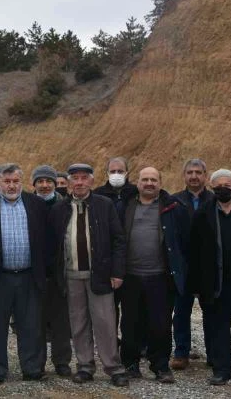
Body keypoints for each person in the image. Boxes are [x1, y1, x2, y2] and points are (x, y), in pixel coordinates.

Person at [48, 163, 129, 387]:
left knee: (105, 322)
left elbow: (118, 240)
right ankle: (84, 366)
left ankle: (114, 367)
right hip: (71, 275)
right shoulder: (59, 209)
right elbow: (53, 245)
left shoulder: (105, 205)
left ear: (92, 181)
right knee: (79, 323)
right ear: (68, 182)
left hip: (100, 275)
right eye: (75, 178)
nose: (80, 182)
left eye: (84, 178)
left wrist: (117, 272)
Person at [0, 163, 47, 384]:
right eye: (7, 181)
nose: (11, 186)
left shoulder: (36, 204)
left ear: (21, 182)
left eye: (15, 181)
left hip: (28, 275)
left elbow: (46, 240)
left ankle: (32, 369)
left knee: (30, 325)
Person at [119, 167, 189, 383]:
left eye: (153, 179)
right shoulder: (125, 206)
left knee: (160, 325)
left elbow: (184, 244)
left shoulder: (173, 208)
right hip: (130, 276)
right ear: (137, 182)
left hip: (160, 276)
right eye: (145, 179)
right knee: (130, 324)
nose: (149, 183)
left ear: (160, 182)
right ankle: (130, 364)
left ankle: (160, 366)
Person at [189, 169, 231, 387]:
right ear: (212, 187)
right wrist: (196, 284)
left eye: (227, 185)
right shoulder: (203, 214)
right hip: (215, 283)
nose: (222, 189)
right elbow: (194, 253)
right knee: (218, 328)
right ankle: (222, 370)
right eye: (218, 186)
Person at [171, 158, 214, 370]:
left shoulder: (215, 200)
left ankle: (215, 354)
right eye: (190, 172)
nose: (194, 176)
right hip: (183, 266)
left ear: (205, 176)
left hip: (208, 268)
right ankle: (181, 352)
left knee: (213, 313)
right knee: (181, 313)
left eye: (198, 172)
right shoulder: (174, 201)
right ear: (184, 176)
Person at [32, 164, 71, 377]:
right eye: (40, 182)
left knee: (61, 322)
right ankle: (37, 363)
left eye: (49, 181)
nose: (45, 185)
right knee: (35, 322)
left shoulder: (65, 205)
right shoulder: (28, 204)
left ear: (55, 184)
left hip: (60, 271)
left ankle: (62, 361)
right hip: (35, 271)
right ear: (34, 184)